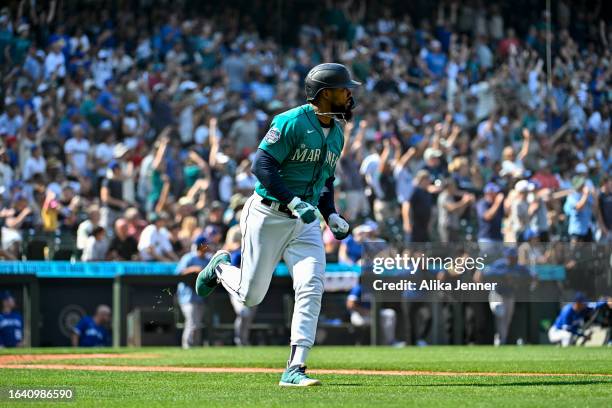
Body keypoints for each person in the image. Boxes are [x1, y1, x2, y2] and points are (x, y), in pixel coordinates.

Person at [195, 63, 358, 386]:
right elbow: (262, 164)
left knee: (311, 286)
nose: (349, 95)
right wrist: (293, 201)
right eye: (343, 89)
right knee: (250, 296)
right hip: (268, 215)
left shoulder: (337, 132)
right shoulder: (291, 121)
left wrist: (332, 214)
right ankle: (220, 269)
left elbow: (325, 180)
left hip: (306, 221)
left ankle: (295, 367)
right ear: (325, 95)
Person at [175, 235, 211, 349]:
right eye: (203, 246)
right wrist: (193, 269)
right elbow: (178, 273)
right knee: (191, 323)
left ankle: (195, 347)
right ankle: (187, 347)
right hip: (187, 297)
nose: (205, 248)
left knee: (197, 324)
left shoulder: (208, 259)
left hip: (201, 297)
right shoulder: (189, 258)